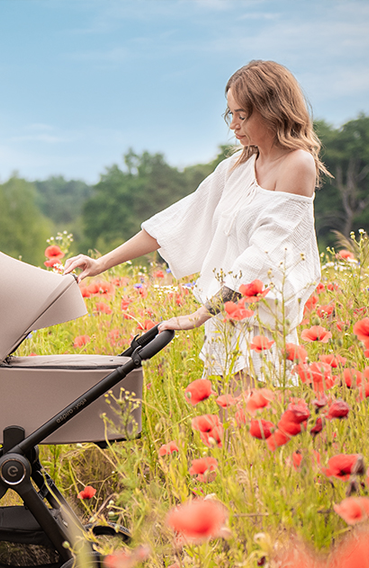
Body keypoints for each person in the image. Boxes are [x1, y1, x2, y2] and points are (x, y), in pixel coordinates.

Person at [63, 60, 327, 388]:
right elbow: (178, 220)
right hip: (224, 322)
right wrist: (101, 262)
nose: (233, 124)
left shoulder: (297, 164)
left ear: (272, 110)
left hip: (260, 330)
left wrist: (200, 314)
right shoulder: (237, 166)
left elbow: (264, 254)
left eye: (242, 115)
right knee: (227, 434)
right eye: (229, 114)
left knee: (251, 431)